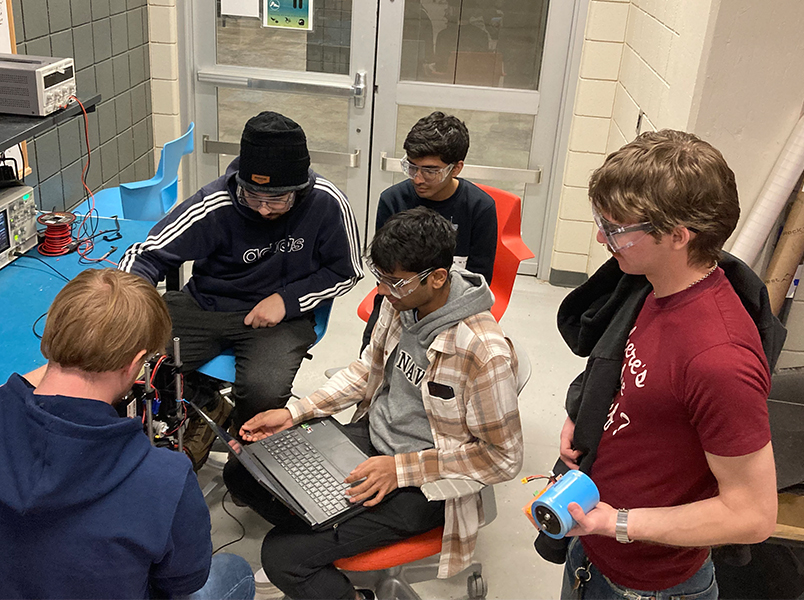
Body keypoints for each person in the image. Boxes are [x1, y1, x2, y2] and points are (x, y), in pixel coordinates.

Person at [225, 207, 523, 600]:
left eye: (394, 282)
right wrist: (295, 412)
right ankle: (325, 529)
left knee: (283, 557)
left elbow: (503, 458)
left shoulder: (483, 352)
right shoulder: (401, 303)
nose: (382, 291)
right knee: (243, 473)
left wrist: (401, 469)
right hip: (368, 440)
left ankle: (336, 571)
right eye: (380, 278)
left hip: (425, 484)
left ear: (437, 278)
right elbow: (368, 370)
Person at [545, 130, 786, 600]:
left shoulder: (721, 360)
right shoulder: (650, 285)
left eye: (615, 229)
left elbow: (753, 515)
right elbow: (631, 377)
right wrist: (584, 413)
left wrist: (615, 523)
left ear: (678, 236)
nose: (601, 237)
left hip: (648, 585)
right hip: (594, 550)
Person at [0, 268, 255, 599]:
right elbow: (182, 582)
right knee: (233, 571)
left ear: (49, 339)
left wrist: (70, 352)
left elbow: (1, 398)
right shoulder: (164, 479)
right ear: (137, 362)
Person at [119, 111, 362, 465]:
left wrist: (287, 300)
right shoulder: (216, 201)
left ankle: (247, 466)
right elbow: (145, 255)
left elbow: (348, 271)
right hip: (207, 307)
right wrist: (126, 309)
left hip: (281, 319)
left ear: (299, 188)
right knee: (132, 362)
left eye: (277, 200)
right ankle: (197, 411)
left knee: (264, 391)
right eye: (253, 196)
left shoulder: (326, 202)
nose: (263, 209)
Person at [362, 111, 497, 349]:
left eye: (430, 171)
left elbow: (479, 279)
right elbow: (386, 270)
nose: (418, 178)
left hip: (455, 306)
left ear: (456, 168)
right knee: (374, 351)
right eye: (412, 167)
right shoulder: (392, 200)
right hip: (399, 299)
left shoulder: (480, 208)